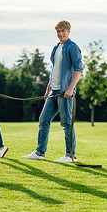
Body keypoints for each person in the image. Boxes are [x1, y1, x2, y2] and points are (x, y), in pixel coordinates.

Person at [23, 20, 83, 162]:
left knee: (67, 123)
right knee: (43, 120)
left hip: (65, 93)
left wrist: (70, 89)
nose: (61, 34)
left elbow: (78, 70)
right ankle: (39, 153)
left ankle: (70, 155)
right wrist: (48, 89)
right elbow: (54, 71)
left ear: (69, 31)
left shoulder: (72, 47)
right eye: (58, 31)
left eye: (63, 31)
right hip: (53, 92)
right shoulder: (56, 48)